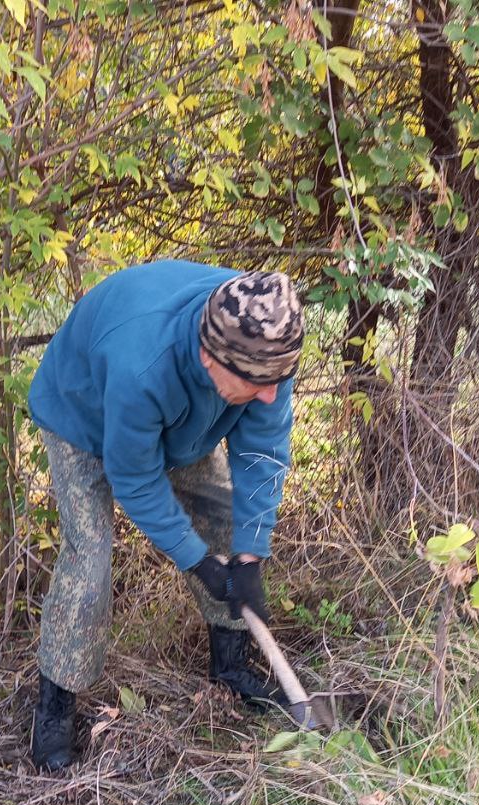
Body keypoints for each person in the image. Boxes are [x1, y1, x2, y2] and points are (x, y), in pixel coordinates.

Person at [26, 259, 305, 770]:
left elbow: (262, 454)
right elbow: (134, 478)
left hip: (178, 416)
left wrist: (247, 556)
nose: (271, 394)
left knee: (223, 516)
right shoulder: (142, 365)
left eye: (277, 381)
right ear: (209, 358)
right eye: (259, 384)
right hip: (80, 415)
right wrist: (195, 559)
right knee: (89, 563)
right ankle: (55, 707)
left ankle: (230, 666)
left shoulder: (264, 348)